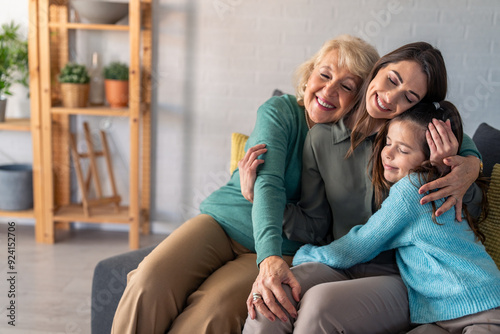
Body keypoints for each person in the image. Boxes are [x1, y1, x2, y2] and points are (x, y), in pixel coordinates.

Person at [110, 35, 380, 334]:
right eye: (325, 75)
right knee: (150, 279)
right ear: (309, 75)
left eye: (347, 86)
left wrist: (270, 252)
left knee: (214, 312)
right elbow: (269, 182)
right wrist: (269, 257)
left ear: (361, 99)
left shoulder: (354, 148)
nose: (329, 90)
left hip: (285, 247)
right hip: (225, 223)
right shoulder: (280, 111)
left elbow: (320, 225)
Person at [242, 42, 483, 333]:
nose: (390, 97)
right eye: (391, 80)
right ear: (377, 69)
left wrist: (460, 166)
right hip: (338, 263)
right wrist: (261, 198)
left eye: (409, 96)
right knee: (269, 298)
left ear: (418, 106)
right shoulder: (320, 139)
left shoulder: (415, 149)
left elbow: (469, 206)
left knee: (320, 305)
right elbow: (315, 225)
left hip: (400, 275)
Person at [291, 102, 500, 333]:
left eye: (402, 150)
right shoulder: (434, 184)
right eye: (388, 142)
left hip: (479, 307)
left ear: (429, 159)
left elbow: (359, 244)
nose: (387, 153)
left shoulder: (413, 189)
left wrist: (305, 255)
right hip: (443, 311)